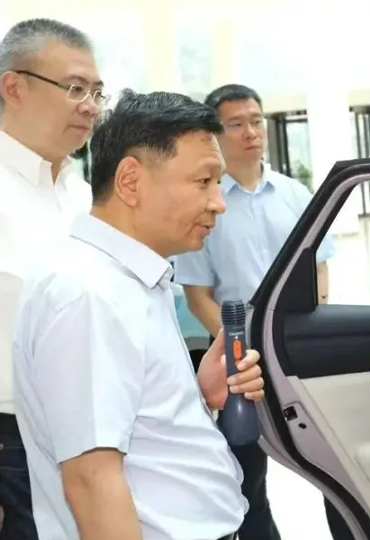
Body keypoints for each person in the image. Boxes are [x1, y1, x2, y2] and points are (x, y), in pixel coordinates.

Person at [11, 89, 267, 540]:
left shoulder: (130, 279)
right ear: (130, 181)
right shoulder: (89, 294)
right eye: (203, 181)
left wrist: (196, 395)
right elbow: (92, 482)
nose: (219, 202)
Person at [174, 83, 336, 540]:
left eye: (257, 120)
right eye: (236, 124)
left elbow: (319, 269)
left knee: (333, 469)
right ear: (215, 133)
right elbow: (199, 297)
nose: (251, 132)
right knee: (245, 480)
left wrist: (310, 332)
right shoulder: (206, 206)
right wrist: (242, 353)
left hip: (296, 351)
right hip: (238, 364)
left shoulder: (294, 193)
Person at [0, 18, 105, 539]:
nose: (90, 106)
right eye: (74, 88)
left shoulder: (82, 195)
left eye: (97, 93)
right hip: (12, 445)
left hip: (94, 438)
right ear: (13, 87)